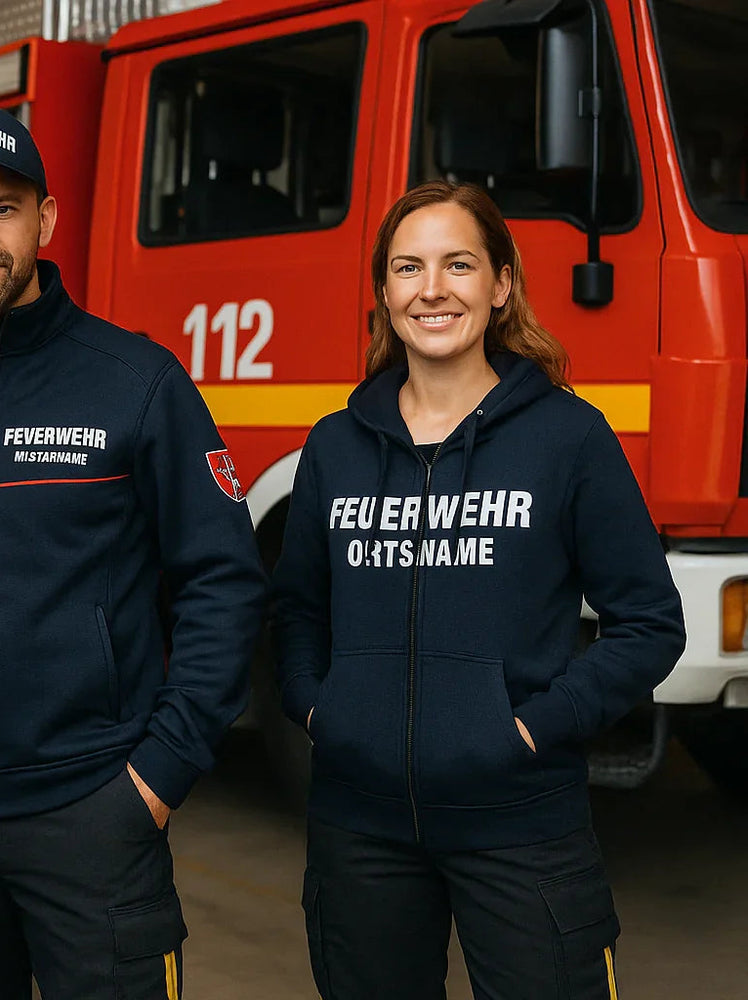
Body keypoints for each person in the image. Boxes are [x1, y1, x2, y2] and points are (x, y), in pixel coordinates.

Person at [0, 107, 266, 999]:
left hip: (94, 815)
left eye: (2, 209)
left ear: (45, 219)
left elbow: (224, 583)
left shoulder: (137, 381)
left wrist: (157, 775)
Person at [273, 180, 685, 999]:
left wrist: (529, 730)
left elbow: (650, 624)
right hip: (360, 831)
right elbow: (295, 609)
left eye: (458, 265)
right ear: (385, 292)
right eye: (408, 268)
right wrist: (323, 710)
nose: (432, 290)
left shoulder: (568, 437)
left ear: (500, 286)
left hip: (522, 828)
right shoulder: (335, 447)